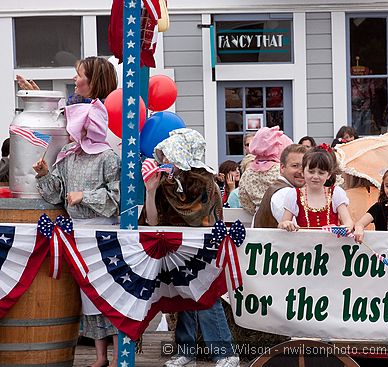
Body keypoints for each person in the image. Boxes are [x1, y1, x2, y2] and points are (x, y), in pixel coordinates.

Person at [31, 56, 119, 367]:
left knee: (111, 291)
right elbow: (56, 192)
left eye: (79, 75)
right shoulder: (68, 155)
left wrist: (85, 196)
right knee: (88, 295)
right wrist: (44, 173)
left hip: (104, 233)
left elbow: (117, 197)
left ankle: (121, 351)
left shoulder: (109, 154)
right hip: (77, 234)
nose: (74, 79)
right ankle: (99, 355)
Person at [140, 128, 239, 367]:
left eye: (170, 156)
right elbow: (153, 221)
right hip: (176, 249)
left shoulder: (204, 182)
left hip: (203, 247)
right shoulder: (164, 184)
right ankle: (186, 350)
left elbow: (201, 218)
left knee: (206, 298)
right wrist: (151, 192)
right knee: (182, 297)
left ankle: (225, 353)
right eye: (163, 156)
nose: (165, 161)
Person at [277, 146, 353, 232]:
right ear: (303, 172)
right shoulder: (294, 195)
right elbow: (282, 224)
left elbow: (348, 222)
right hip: (303, 244)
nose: (315, 177)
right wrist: (286, 224)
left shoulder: (336, 193)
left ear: (328, 175)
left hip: (331, 244)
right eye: (311, 172)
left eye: (321, 173)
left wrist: (345, 228)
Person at [239, 126, 292, 216]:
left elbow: (243, 199)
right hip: (283, 217)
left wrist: (257, 209)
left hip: (259, 217)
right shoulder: (281, 170)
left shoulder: (248, 173)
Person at [254, 144, 307, 227]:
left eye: (304, 166)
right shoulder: (284, 193)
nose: (301, 171)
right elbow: (295, 232)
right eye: (295, 166)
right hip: (269, 239)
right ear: (282, 167)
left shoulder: (281, 188)